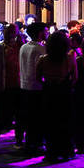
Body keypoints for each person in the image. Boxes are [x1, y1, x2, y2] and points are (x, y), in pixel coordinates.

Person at [37, 30, 77, 162]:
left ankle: (51, 152)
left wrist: (49, 82)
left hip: (49, 92)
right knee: (66, 122)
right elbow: (75, 78)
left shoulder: (43, 60)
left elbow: (37, 78)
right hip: (65, 93)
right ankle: (67, 151)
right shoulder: (70, 59)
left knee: (50, 123)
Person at [0, 23, 22, 153]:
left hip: (19, 87)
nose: (12, 35)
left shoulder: (21, 48)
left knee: (20, 117)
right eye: (9, 32)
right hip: (3, 88)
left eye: (14, 32)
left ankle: (19, 142)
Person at [18, 22, 48, 156]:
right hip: (37, 87)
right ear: (40, 33)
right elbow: (40, 70)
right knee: (38, 118)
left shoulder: (23, 47)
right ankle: (37, 143)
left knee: (28, 118)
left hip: (24, 86)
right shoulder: (40, 49)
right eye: (45, 31)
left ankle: (29, 143)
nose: (47, 33)